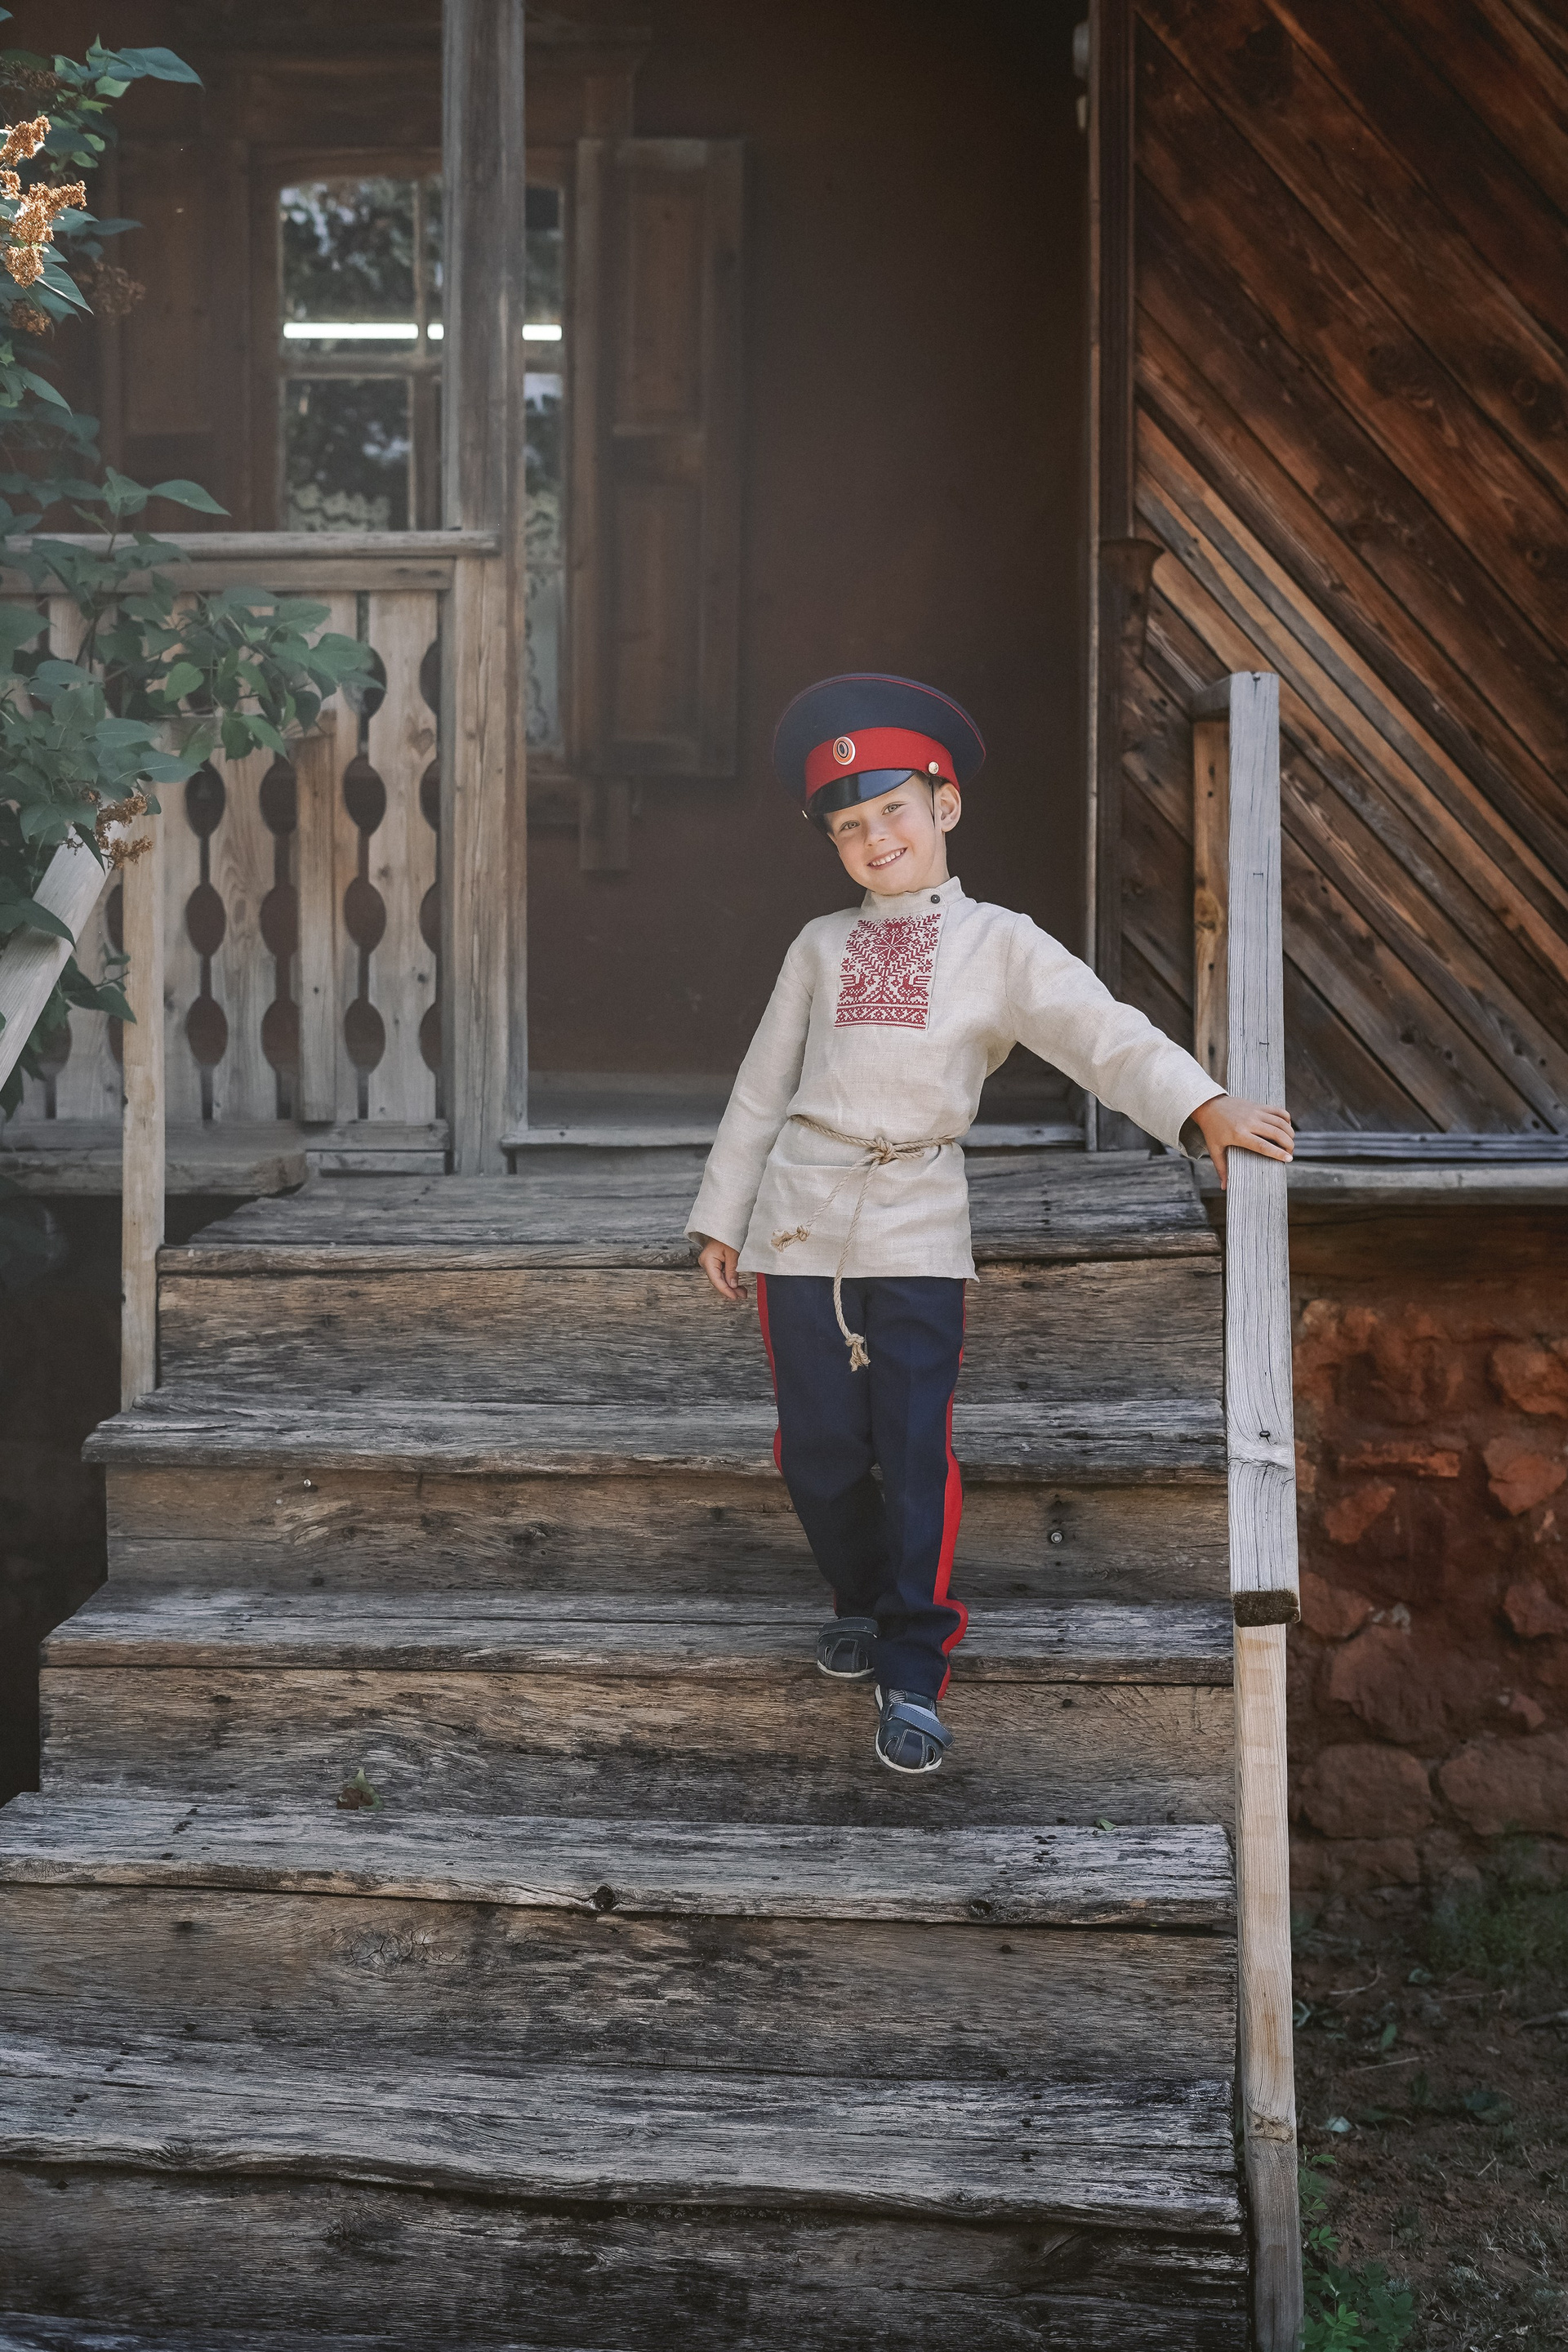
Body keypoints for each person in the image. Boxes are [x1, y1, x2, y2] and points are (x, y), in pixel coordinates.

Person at [686, 673, 1293, 1778]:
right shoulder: (817, 947)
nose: (876, 839)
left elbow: (1103, 1033)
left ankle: (913, 1664)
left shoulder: (1000, 945)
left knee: (913, 1448)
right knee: (817, 1450)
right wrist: (722, 1215)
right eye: (848, 826)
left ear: (946, 804)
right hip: (800, 1224)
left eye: (894, 811)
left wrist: (1200, 1105)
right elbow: (761, 1089)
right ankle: (861, 1597)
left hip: (918, 1224)